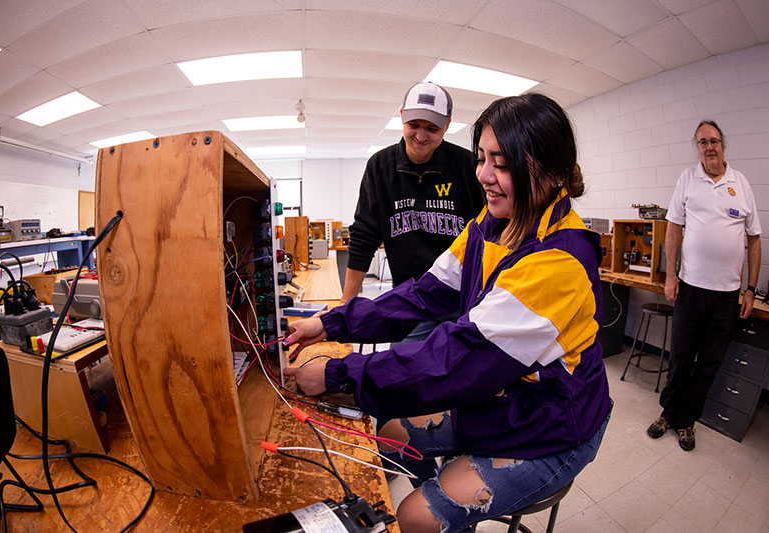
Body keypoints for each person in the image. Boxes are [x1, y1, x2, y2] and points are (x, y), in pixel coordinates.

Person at [284, 93, 611, 533]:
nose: (484, 175)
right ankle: (452, 500)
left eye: (502, 163)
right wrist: (329, 322)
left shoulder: (559, 261)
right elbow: (422, 295)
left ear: (550, 172)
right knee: (391, 434)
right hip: (500, 399)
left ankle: (447, 505)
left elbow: (458, 359)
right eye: (481, 158)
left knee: (416, 514)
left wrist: (340, 374)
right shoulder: (490, 225)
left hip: (550, 424)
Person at [342, 81, 485, 346]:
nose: (421, 136)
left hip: (462, 299)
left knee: (457, 377)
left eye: (432, 128)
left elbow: (492, 231)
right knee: (404, 374)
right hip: (410, 301)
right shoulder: (380, 167)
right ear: (402, 117)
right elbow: (364, 235)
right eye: (414, 125)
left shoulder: (468, 165)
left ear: (448, 124)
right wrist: (346, 303)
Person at [648, 120, 762, 451]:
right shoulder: (688, 179)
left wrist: (750, 288)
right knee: (681, 356)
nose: (708, 146)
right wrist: (670, 275)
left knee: (710, 361)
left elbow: (754, 240)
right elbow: (673, 228)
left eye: (713, 140)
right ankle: (669, 413)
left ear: (723, 144)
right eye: (702, 142)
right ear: (697, 147)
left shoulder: (740, 183)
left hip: (727, 295)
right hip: (690, 289)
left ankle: (687, 421)